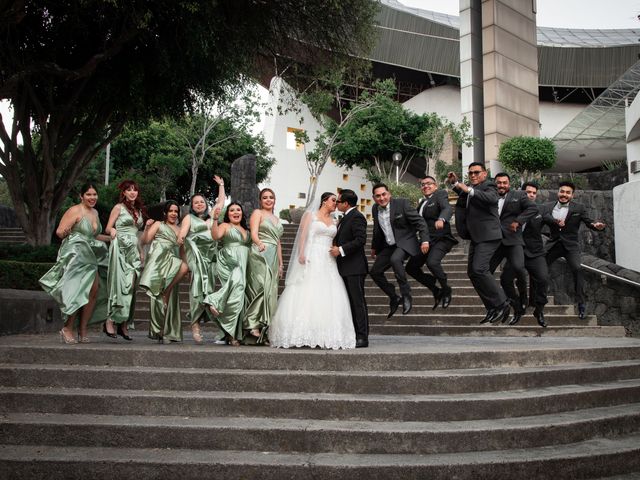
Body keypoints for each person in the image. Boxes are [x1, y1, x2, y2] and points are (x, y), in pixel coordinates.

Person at [270, 192, 355, 349]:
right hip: (312, 254)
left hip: (328, 259)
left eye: (337, 201)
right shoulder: (311, 215)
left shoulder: (335, 220)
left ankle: (326, 333)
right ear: (324, 201)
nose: (336, 203)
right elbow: (302, 235)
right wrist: (301, 253)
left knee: (329, 291)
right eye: (333, 200)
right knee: (307, 289)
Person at [40, 183, 110, 344]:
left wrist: (113, 238)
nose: (92, 198)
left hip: (91, 256)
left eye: (94, 194)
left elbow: (94, 235)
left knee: (94, 291)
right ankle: (67, 328)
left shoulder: (95, 212)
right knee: (78, 292)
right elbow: (59, 231)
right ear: (81, 196)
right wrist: (64, 232)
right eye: (89, 194)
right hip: (77, 254)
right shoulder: (74, 210)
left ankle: (83, 328)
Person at [448, 163, 511, 324]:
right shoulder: (472, 190)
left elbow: (490, 198)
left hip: (489, 236)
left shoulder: (489, 186)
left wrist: (468, 189)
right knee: (472, 272)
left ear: (484, 173)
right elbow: (465, 195)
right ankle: (492, 307)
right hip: (476, 237)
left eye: (476, 172)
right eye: (470, 173)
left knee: (480, 269)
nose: (473, 175)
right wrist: (456, 184)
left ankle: (503, 303)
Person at [543, 181, 606, 319]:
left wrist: (597, 226)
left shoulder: (579, 208)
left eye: (567, 192)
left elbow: (590, 223)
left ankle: (581, 304)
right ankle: (539, 299)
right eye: (562, 191)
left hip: (570, 246)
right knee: (538, 267)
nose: (564, 195)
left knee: (577, 269)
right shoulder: (547, 207)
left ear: (572, 195)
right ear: (558, 192)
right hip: (553, 245)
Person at [177, 176, 226, 344]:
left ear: (206, 203)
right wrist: (182, 238)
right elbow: (182, 233)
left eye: (202, 201)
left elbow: (220, 202)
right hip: (196, 259)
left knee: (209, 292)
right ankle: (195, 326)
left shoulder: (212, 217)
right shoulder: (189, 219)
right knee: (197, 291)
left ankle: (218, 327)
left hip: (211, 259)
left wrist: (221, 185)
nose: (199, 204)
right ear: (191, 206)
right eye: (195, 202)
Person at [370, 183, 429, 318]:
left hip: (405, 242)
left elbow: (420, 222)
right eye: (378, 196)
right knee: (375, 272)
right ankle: (394, 297)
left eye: (384, 194)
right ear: (374, 198)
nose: (382, 198)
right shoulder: (375, 209)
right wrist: (374, 247)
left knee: (395, 260)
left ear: (389, 194)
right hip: (388, 246)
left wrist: (425, 240)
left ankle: (406, 294)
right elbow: (377, 229)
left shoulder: (401, 204)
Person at [488, 172, 537, 323]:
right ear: (494, 183)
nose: (501, 185)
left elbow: (532, 209)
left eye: (504, 182)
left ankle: (523, 296)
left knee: (518, 267)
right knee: (485, 272)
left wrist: (518, 221)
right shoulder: (489, 196)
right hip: (494, 241)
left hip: (513, 239)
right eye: (499, 182)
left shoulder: (519, 195)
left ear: (509, 183)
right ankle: (511, 303)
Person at [104, 180, 150, 341]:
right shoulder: (118, 208)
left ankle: (124, 322)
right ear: (123, 192)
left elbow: (137, 234)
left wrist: (140, 251)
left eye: (135, 190)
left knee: (131, 286)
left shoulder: (138, 210)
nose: (132, 192)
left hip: (133, 250)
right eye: (129, 190)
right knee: (119, 285)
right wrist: (113, 230)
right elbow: (108, 228)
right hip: (120, 247)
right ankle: (110, 320)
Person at [501, 182, 551, 327]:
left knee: (543, 279)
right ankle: (517, 307)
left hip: (535, 253)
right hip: (516, 252)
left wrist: (558, 223)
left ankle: (539, 309)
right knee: (505, 280)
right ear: (522, 194)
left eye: (534, 193)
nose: (531, 195)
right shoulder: (511, 210)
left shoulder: (541, 209)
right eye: (528, 192)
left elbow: (551, 222)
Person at [139, 201, 189, 343]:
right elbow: (145, 241)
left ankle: (169, 332)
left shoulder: (180, 230)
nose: (173, 213)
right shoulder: (159, 225)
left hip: (173, 262)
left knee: (170, 296)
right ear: (165, 213)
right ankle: (160, 331)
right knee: (158, 296)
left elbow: (182, 251)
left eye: (176, 211)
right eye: (171, 211)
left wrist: (186, 269)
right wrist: (147, 228)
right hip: (159, 261)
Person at [405, 176, 458, 310]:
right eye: (423, 184)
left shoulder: (440, 195)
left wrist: (442, 219)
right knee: (410, 268)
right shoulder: (422, 203)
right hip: (426, 240)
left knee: (432, 263)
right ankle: (435, 289)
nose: (425, 186)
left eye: (429, 183)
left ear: (435, 186)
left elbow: (447, 209)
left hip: (441, 239)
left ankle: (446, 290)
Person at [204, 202, 251, 346]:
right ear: (228, 214)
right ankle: (214, 300)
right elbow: (216, 236)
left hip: (244, 262)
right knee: (237, 290)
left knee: (238, 297)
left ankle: (232, 333)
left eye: (238, 210)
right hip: (229, 262)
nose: (236, 212)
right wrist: (215, 220)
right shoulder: (225, 226)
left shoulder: (245, 229)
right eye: (232, 210)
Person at [330, 189, 369, 348]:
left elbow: (361, 240)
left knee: (357, 302)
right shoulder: (346, 217)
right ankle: (356, 333)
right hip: (345, 267)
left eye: (338, 201)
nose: (336, 204)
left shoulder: (357, 217)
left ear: (346, 203)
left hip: (355, 267)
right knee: (352, 302)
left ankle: (362, 337)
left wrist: (340, 249)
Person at [244, 188, 284, 345]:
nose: (268, 200)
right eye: (265, 198)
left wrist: (280, 263)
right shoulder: (257, 213)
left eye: (271, 197)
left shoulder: (277, 218)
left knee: (271, 292)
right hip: (259, 253)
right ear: (260, 201)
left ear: (274, 200)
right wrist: (260, 244)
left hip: (273, 255)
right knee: (261, 287)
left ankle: (264, 331)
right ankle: (252, 323)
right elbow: (253, 233)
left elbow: (278, 242)